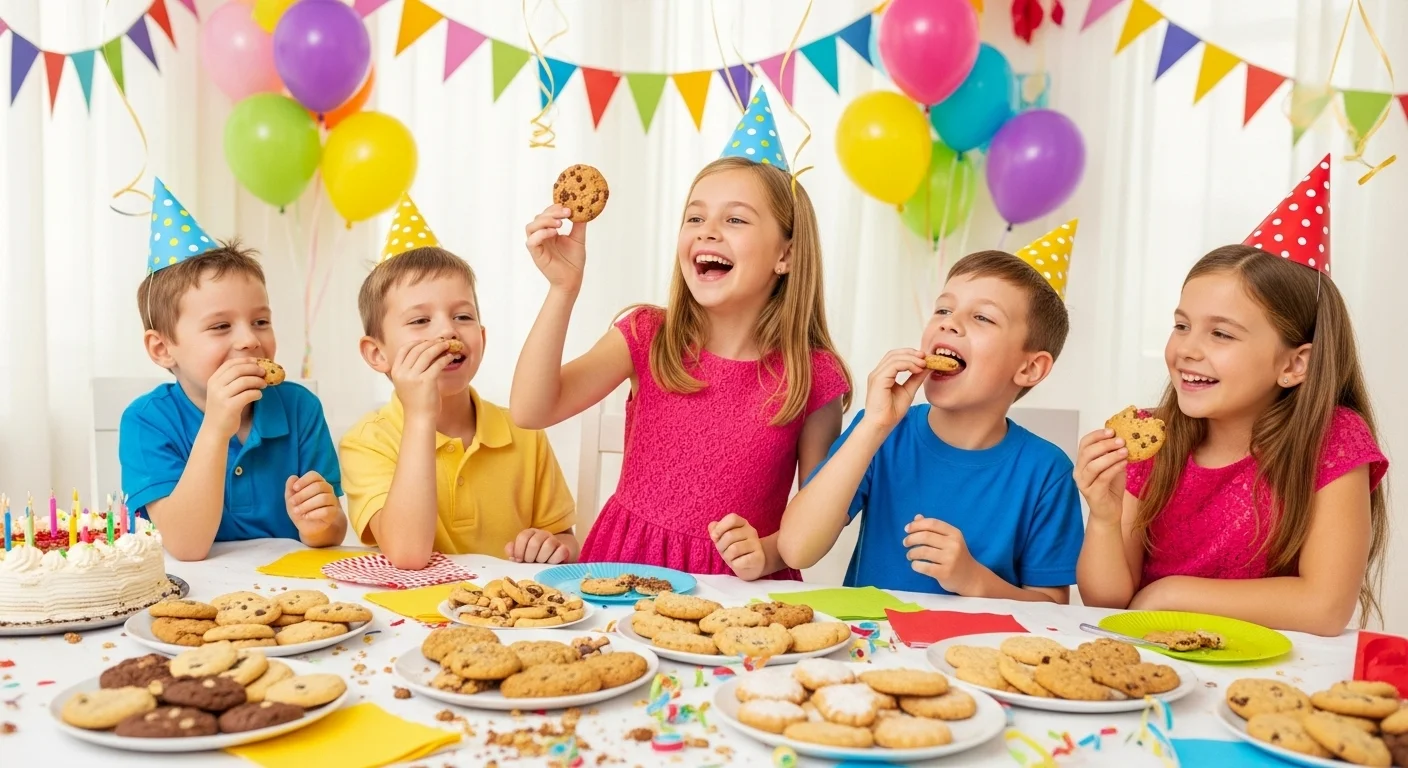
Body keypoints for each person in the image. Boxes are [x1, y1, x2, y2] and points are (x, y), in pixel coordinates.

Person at [511, 88, 851, 580]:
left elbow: (821, 511)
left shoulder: (812, 376)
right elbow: (530, 409)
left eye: (734, 219)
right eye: (695, 217)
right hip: (620, 572)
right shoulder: (648, 335)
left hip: (737, 593)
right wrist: (563, 289)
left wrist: (770, 553)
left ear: (787, 255)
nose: (707, 231)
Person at [1075, 156, 1389, 636]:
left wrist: (1168, 594)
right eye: (1181, 326)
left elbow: (1324, 606)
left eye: (1221, 335)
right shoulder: (1153, 443)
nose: (1187, 350)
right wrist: (1102, 515)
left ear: (1294, 364)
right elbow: (1107, 598)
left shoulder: (1333, 441)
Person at [779, 225, 1084, 600]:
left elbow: (1053, 606)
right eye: (943, 308)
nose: (948, 322)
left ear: (1030, 369)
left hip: (979, 654)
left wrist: (974, 580)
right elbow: (796, 549)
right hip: (874, 648)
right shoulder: (883, 433)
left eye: (982, 318)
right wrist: (874, 425)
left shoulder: (1047, 472)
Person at [340, 196, 577, 570]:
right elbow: (407, 554)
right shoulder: (367, 442)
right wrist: (419, 416)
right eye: (420, 321)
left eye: (462, 316)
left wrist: (552, 545)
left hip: (506, 618)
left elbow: (565, 539)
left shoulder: (525, 431)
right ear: (377, 354)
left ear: (481, 336)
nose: (447, 331)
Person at [120, 179, 344, 561]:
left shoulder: (300, 408)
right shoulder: (147, 422)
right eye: (221, 326)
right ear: (162, 348)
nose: (249, 341)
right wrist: (216, 427)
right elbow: (187, 547)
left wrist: (320, 522)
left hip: (286, 588)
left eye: (260, 321)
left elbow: (332, 533)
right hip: (195, 590)